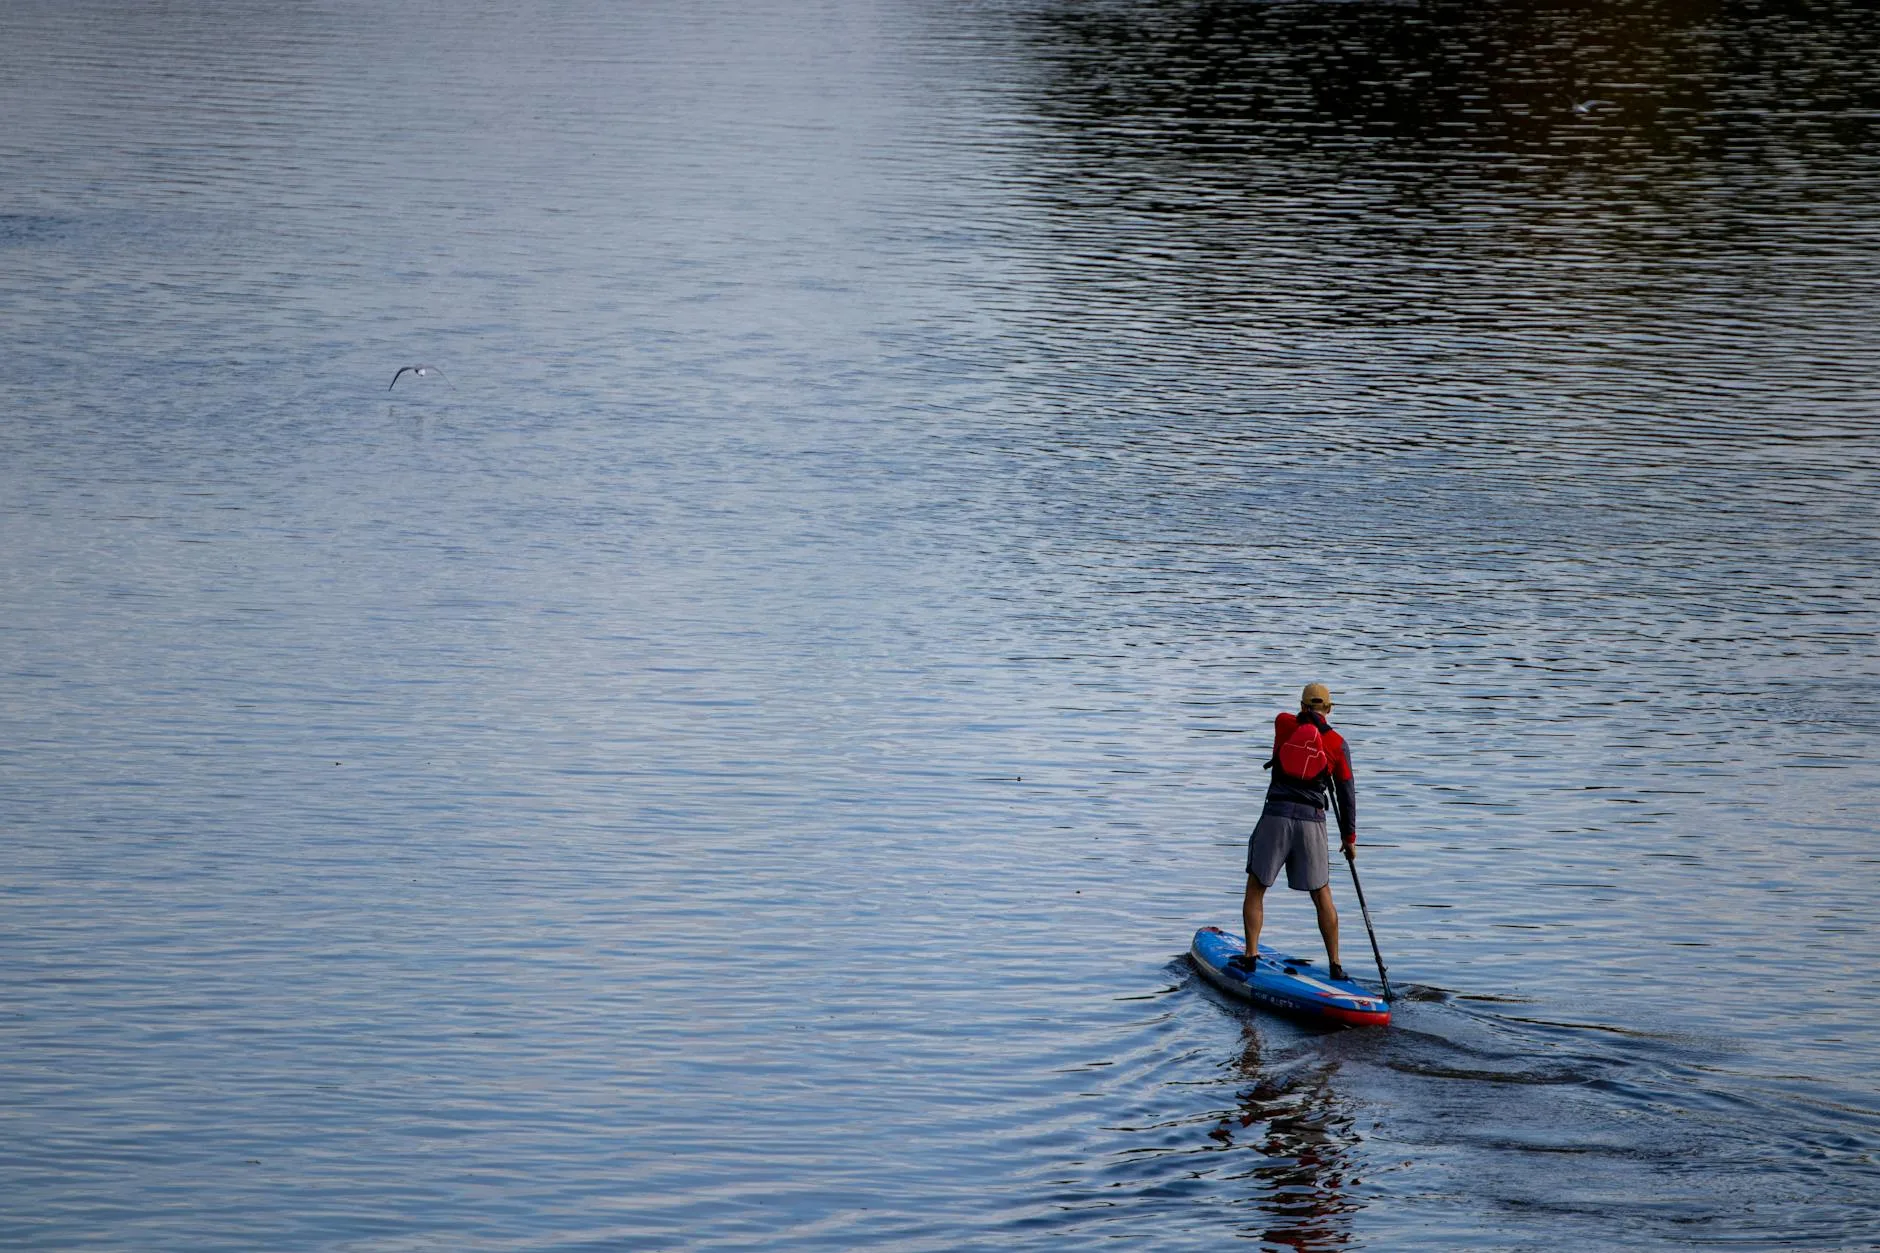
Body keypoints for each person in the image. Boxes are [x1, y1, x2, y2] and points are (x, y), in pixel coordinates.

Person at [1229, 682, 1357, 981]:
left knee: (1257, 886)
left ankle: (1250, 957)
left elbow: (1289, 717)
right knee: (1321, 892)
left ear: (1301, 707)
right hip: (1313, 822)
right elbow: (1347, 794)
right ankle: (1336, 966)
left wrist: (1306, 714)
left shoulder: (1284, 725)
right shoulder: (1338, 743)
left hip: (1276, 816)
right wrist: (1349, 839)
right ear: (1329, 709)